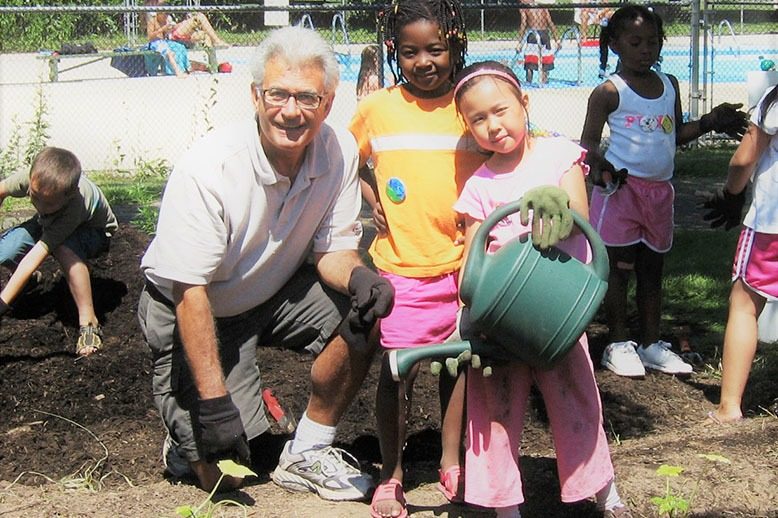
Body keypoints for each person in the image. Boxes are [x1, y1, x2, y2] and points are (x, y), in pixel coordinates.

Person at [138, 25, 394, 496]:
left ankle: (308, 451)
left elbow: (332, 250)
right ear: (256, 96)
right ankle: (186, 447)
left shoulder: (338, 153)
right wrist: (215, 403)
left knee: (364, 317)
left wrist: (359, 276)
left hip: (270, 292)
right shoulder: (211, 168)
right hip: (191, 307)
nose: (291, 111)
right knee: (227, 473)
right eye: (278, 94)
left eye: (307, 98)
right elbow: (189, 291)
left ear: (328, 102)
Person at [451, 60, 632, 518]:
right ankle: (503, 505)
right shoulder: (479, 186)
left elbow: (582, 220)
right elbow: (473, 262)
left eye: (501, 110)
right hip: (505, 321)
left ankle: (603, 491)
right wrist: (468, 319)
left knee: (576, 400)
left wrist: (560, 209)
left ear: (523, 103)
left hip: (555, 311)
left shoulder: (558, 157)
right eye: (478, 119)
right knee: (494, 410)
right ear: (468, 126)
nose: (493, 126)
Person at [348, 1, 485, 516]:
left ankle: (452, 461)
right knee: (397, 371)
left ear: (454, 44)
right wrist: (372, 197)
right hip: (402, 265)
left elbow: (510, 152)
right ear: (394, 53)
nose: (424, 61)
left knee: (458, 364)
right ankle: (392, 472)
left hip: (467, 264)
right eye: (410, 52)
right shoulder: (378, 109)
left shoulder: (471, 104)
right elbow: (344, 160)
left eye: (436, 49)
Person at [580, 5, 749, 378]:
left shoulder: (669, 84)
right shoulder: (608, 92)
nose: (645, 49)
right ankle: (618, 343)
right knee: (619, 270)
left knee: (652, 268)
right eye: (635, 42)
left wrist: (709, 122)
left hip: (659, 193)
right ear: (615, 44)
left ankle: (652, 343)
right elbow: (588, 144)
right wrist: (602, 165)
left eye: (653, 42)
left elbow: (673, 136)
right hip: (620, 193)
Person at [704, 84, 778, 424]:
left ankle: (729, 406)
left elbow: (745, 158)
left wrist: (732, 196)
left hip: (770, 225)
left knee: (745, 305)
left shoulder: (773, 102)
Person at [0, 146, 117, 357]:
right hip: (50, 223)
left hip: (95, 232)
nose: (40, 206)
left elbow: (36, 256)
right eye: (35, 197)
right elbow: (1, 190)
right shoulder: (33, 179)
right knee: (5, 251)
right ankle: (27, 282)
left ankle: (89, 322)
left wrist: (2, 304)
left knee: (63, 246)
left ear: (70, 195)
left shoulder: (74, 207)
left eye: (49, 202)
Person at [143, 0, 209, 77]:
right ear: (158, 13)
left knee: (180, 47)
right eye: (164, 13)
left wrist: (170, 29)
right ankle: (178, 72)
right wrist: (163, 29)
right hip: (155, 43)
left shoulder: (166, 20)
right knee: (168, 52)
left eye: (167, 13)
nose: (166, 15)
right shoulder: (152, 19)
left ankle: (184, 68)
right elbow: (149, 36)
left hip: (164, 41)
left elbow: (165, 36)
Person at [517, 0, 560, 85]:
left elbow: (523, 23)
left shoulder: (524, 8)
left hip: (533, 35)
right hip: (545, 34)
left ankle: (529, 83)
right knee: (545, 61)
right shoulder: (542, 6)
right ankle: (544, 82)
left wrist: (519, 42)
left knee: (529, 62)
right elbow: (550, 23)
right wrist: (557, 39)